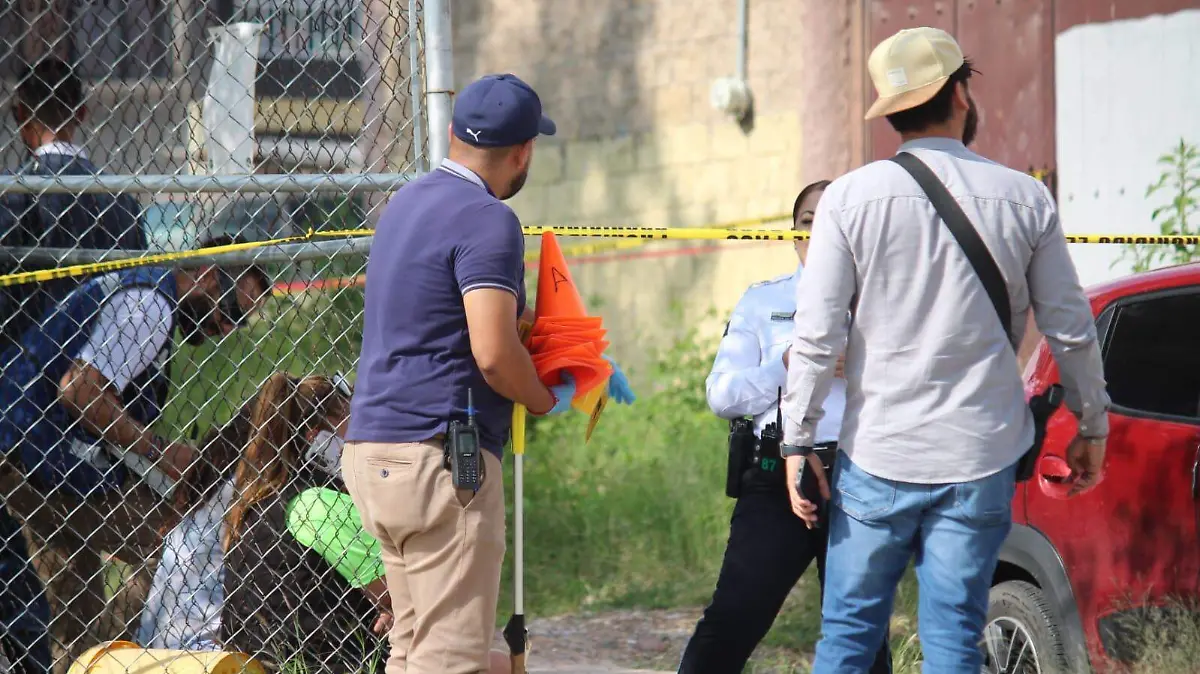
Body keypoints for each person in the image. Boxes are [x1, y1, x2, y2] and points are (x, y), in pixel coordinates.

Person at [779, 27, 1110, 672]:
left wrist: (798, 441)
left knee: (847, 638)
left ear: (893, 111)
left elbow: (817, 336)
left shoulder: (848, 197)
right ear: (960, 93)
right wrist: (1092, 423)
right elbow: (1070, 328)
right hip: (979, 456)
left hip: (878, 452)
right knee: (956, 639)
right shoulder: (1025, 197)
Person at [343, 73, 634, 674]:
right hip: (441, 464)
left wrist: (547, 341)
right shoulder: (488, 219)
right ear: (524, 151)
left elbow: (448, 316)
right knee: (451, 662)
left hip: (374, 452)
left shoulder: (405, 203)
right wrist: (545, 398)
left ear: (452, 133)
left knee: (411, 649)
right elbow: (495, 354)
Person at [0, 242, 271, 674]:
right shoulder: (150, 307)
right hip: (44, 451)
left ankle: (89, 658)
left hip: (24, 446)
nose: (227, 327)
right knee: (172, 546)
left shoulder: (146, 288)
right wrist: (162, 452)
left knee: (73, 605)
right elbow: (80, 391)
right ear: (205, 275)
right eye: (232, 311)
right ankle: (144, 656)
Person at [676, 182, 891, 674]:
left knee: (861, 630)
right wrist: (787, 364)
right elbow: (721, 396)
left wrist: (861, 363)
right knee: (735, 616)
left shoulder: (883, 308)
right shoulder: (762, 302)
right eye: (808, 220)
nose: (818, 231)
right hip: (778, 477)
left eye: (832, 218)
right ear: (794, 234)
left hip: (861, 478)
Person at [0, 57, 148, 352]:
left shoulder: (11, 194)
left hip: (19, 370)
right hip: (100, 366)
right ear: (81, 113)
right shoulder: (122, 203)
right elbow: (138, 296)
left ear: (21, 115)